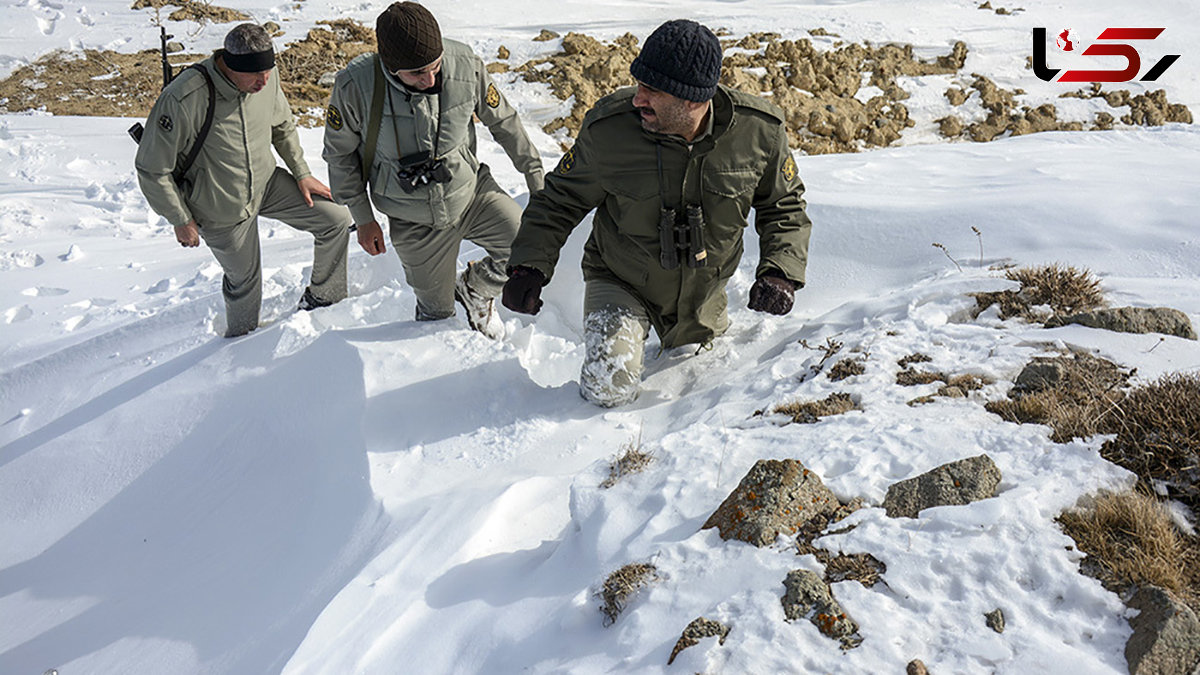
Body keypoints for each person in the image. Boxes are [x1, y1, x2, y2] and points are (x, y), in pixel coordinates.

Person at [501, 19, 813, 407]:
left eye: (653, 91)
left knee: (700, 386)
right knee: (608, 387)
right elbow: (559, 200)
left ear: (694, 101)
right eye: (639, 84)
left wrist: (780, 271)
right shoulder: (609, 131)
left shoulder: (759, 133)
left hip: (703, 296)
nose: (638, 99)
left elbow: (784, 206)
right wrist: (529, 267)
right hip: (621, 278)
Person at [322, 2, 544, 339]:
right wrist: (363, 217)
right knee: (435, 316)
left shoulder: (465, 65)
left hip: (471, 194)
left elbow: (506, 124)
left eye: (435, 67)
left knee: (526, 248)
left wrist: (536, 180)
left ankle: (475, 289)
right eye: (416, 73)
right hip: (412, 220)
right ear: (389, 65)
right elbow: (340, 155)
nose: (429, 80)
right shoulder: (356, 86)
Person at [135, 23, 350, 338]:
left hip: (265, 184)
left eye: (268, 70)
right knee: (246, 283)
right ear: (229, 65)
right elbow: (152, 169)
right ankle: (241, 348)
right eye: (254, 75)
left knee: (335, 219)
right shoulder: (184, 97)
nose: (264, 81)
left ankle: (325, 300)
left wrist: (302, 173)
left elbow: (282, 125)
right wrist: (180, 218)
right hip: (218, 204)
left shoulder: (266, 75)